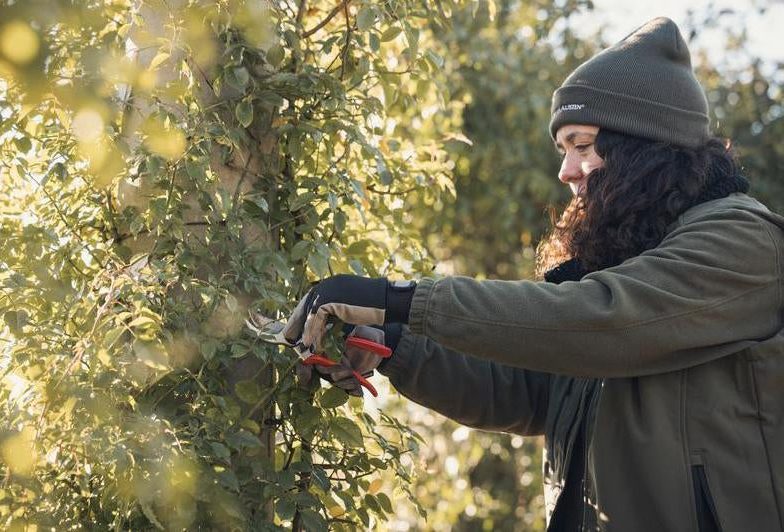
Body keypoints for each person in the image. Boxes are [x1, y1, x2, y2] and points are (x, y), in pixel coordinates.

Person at [282, 17, 784, 531]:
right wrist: (392, 343)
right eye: (563, 150)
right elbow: (521, 388)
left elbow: (606, 320)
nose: (565, 171)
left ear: (646, 148)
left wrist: (401, 299)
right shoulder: (623, 259)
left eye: (582, 146)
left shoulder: (743, 241)